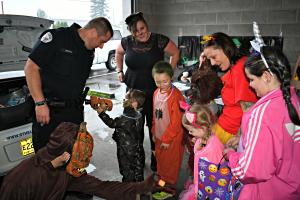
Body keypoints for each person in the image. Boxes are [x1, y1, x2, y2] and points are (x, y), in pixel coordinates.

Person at [0, 122, 158, 200]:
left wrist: (144, 186)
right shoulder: (19, 182)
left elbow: (103, 188)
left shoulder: (67, 170)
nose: (86, 161)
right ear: (64, 154)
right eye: (81, 156)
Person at [24, 17, 113, 152]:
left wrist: (93, 100)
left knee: (72, 157)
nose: (101, 46)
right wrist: (40, 103)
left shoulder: (89, 52)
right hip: (49, 114)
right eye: (102, 41)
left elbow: (74, 83)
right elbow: (31, 67)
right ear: (93, 32)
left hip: (74, 114)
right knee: (47, 159)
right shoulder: (57, 38)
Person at [224, 46, 300, 200]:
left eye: (251, 79)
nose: (250, 85)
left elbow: (249, 170)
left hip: (267, 191)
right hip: (291, 188)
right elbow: (282, 140)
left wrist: (231, 156)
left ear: (266, 76)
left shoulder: (260, 113)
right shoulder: (293, 100)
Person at [115, 12, 180, 171]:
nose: (140, 33)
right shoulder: (127, 42)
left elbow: (175, 53)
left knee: (156, 127)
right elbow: (118, 53)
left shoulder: (159, 40)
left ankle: (156, 157)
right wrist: (119, 70)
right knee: (134, 127)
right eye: (135, 31)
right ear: (131, 32)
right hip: (133, 93)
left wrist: (168, 74)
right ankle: (138, 158)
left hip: (156, 93)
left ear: (146, 25)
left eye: (142, 28)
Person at [201, 32, 258, 145]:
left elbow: (249, 109)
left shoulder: (240, 68)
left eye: (213, 56)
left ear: (225, 48)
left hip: (231, 134)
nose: (212, 63)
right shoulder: (235, 68)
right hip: (224, 127)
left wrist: (240, 139)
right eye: (209, 59)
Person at [93, 89, 146, 182]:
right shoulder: (139, 114)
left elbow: (112, 123)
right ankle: (140, 186)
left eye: (126, 99)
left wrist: (101, 113)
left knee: (126, 168)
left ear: (134, 103)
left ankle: (128, 188)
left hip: (125, 149)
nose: (123, 100)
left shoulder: (125, 118)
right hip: (136, 147)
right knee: (138, 167)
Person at [151, 61, 185, 199]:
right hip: (160, 136)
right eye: (157, 82)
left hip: (172, 139)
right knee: (161, 161)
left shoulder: (175, 97)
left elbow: (177, 123)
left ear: (171, 78)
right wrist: (154, 131)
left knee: (171, 164)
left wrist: (167, 138)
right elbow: (155, 115)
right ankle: (162, 183)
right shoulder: (156, 93)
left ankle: (169, 189)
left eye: (164, 81)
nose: (161, 85)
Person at [179, 103, 224, 200]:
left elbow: (216, 174)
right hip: (200, 182)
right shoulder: (204, 137)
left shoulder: (213, 148)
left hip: (208, 188)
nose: (189, 133)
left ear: (202, 128)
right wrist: (198, 141)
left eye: (191, 130)